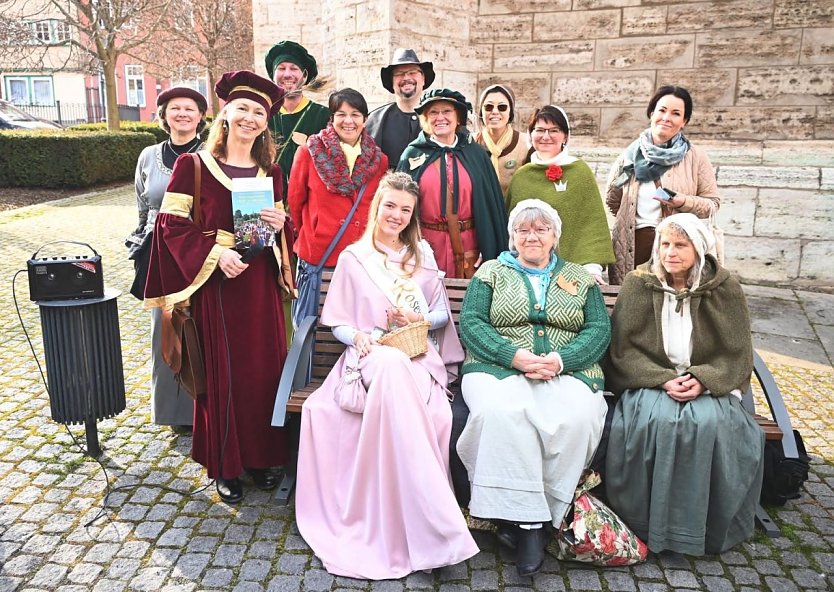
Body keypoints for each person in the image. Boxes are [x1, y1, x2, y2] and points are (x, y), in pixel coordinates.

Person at [295, 171, 479, 579]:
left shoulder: (423, 256)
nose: (396, 215)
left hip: (415, 356)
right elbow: (338, 321)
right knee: (389, 367)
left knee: (421, 397)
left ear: (412, 216)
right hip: (369, 357)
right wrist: (357, 335)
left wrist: (417, 316)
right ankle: (437, 534)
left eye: (405, 209)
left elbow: (438, 315)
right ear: (377, 207)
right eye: (390, 206)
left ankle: (424, 529)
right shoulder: (353, 258)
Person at [144, 71, 293, 505]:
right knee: (224, 375)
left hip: (260, 289)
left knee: (264, 374)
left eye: (259, 112)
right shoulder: (193, 167)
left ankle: (263, 458)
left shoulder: (271, 171)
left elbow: (280, 234)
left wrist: (283, 227)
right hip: (217, 289)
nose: (250, 117)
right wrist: (215, 252)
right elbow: (170, 227)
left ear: (267, 123)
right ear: (225, 113)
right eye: (242, 108)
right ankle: (225, 465)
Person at [456, 200, 611, 577]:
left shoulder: (579, 277)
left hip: (567, 370)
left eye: (541, 229)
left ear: (555, 236)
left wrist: (562, 360)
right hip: (498, 368)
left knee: (576, 416)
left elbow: (598, 329)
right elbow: (473, 323)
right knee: (503, 414)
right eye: (523, 230)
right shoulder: (492, 272)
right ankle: (527, 526)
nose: (532, 236)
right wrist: (514, 356)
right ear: (512, 236)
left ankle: (544, 515)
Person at [604, 213, 764, 556]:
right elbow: (622, 349)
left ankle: (697, 530)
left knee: (706, 425)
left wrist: (704, 380)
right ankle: (644, 525)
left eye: (680, 245)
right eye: (664, 244)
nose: (670, 252)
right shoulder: (639, 283)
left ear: (700, 248)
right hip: (650, 380)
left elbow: (736, 353)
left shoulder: (724, 288)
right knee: (655, 424)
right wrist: (663, 380)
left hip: (706, 381)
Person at [126, 86, 207, 432]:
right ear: (164, 115)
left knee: (200, 326)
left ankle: (203, 405)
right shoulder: (148, 155)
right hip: (159, 251)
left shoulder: (211, 154)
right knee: (166, 327)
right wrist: (139, 240)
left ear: (201, 116)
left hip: (196, 247)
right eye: (175, 108)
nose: (183, 114)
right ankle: (174, 413)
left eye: (190, 108)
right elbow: (143, 207)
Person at [288, 88, 388, 329]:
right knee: (312, 329)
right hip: (319, 256)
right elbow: (295, 201)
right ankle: (308, 369)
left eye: (355, 114)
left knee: (355, 329)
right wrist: (314, 231)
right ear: (331, 119)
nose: (348, 121)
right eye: (341, 114)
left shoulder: (379, 160)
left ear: (365, 119)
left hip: (360, 256)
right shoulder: (309, 153)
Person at [606, 85, 720, 285]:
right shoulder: (630, 155)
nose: (667, 118)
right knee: (632, 308)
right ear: (652, 113)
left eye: (676, 113)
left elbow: (712, 204)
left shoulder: (696, 157)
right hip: (632, 247)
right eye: (662, 110)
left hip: (675, 249)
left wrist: (681, 201)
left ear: (684, 121)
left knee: (670, 307)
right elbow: (613, 199)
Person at [397, 88, 508, 278]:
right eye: (433, 112)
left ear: (458, 117)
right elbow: (399, 206)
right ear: (425, 118)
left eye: (447, 111)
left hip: (471, 248)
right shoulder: (412, 155)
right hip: (427, 248)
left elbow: (490, 206)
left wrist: (488, 247)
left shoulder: (476, 154)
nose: (440, 117)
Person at [507, 105, 614, 284]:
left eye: (554, 130)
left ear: (565, 135)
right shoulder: (521, 176)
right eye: (539, 130)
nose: (546, 136)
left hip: (574, 272)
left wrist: (592, 267)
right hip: (527, 273)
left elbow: (592, 222)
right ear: (531, 134)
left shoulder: (580, 172)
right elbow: (510, 226)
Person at [264, 40, 330, 193]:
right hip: (271, 204)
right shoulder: (263, 116)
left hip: (309, 203)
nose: (287, 74)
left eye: (294, 68)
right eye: (281, 68)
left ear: (304, 76)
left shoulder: (323, 116)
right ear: (273, 76)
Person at [365, 48, 435, 167]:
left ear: (423, 79)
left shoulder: (440, 117)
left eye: (413, 72)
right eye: (399, 73)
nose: (406, 77)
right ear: (392, 82)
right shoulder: (375, 120)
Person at [473, 84, 527, 196]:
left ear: (510, 111)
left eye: (502, 107)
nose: (495, 111)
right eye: (488, 107)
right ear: (481, 111)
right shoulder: (470, 143)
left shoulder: (526, 144)